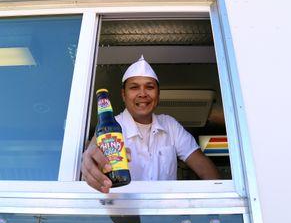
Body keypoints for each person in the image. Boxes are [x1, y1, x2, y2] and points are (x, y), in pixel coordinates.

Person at [81, 55, 220, 193]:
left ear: (158, 94)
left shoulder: (170, 125)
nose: (142, 94)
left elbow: (206, 170)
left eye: (149, 87)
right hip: (122, 213)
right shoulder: (109, 128)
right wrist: (90, 161)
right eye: (134, 87)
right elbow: (93, 153)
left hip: (165, 213)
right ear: (123, 95)